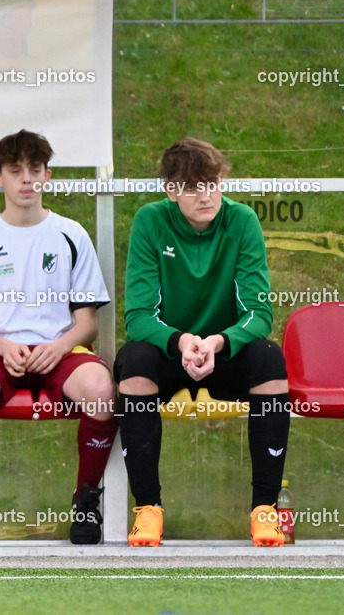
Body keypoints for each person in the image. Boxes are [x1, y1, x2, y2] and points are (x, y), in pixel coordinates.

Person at [0, 130, 118, 545]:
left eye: (34, 170)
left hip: (61, 349)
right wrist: (3, 347)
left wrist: (58, 346)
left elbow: (87, 323)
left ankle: (86, 501)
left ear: (47, 176)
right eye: (15, 170)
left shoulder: (71, 234)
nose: (26, 180)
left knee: (101, 390)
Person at [115, 137, 289, 548]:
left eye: (212, 183)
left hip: (222, 351)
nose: (205, 195)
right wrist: (181, 342)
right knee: (134, 359)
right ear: (170, 190)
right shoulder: (150, 221)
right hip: (173, 352)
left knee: (269, 358)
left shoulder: (242, 220)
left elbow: (260, 314)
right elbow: (137, 317)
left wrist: (216, 341)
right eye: (192, 186)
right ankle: (148, 509)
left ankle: (265, 509)